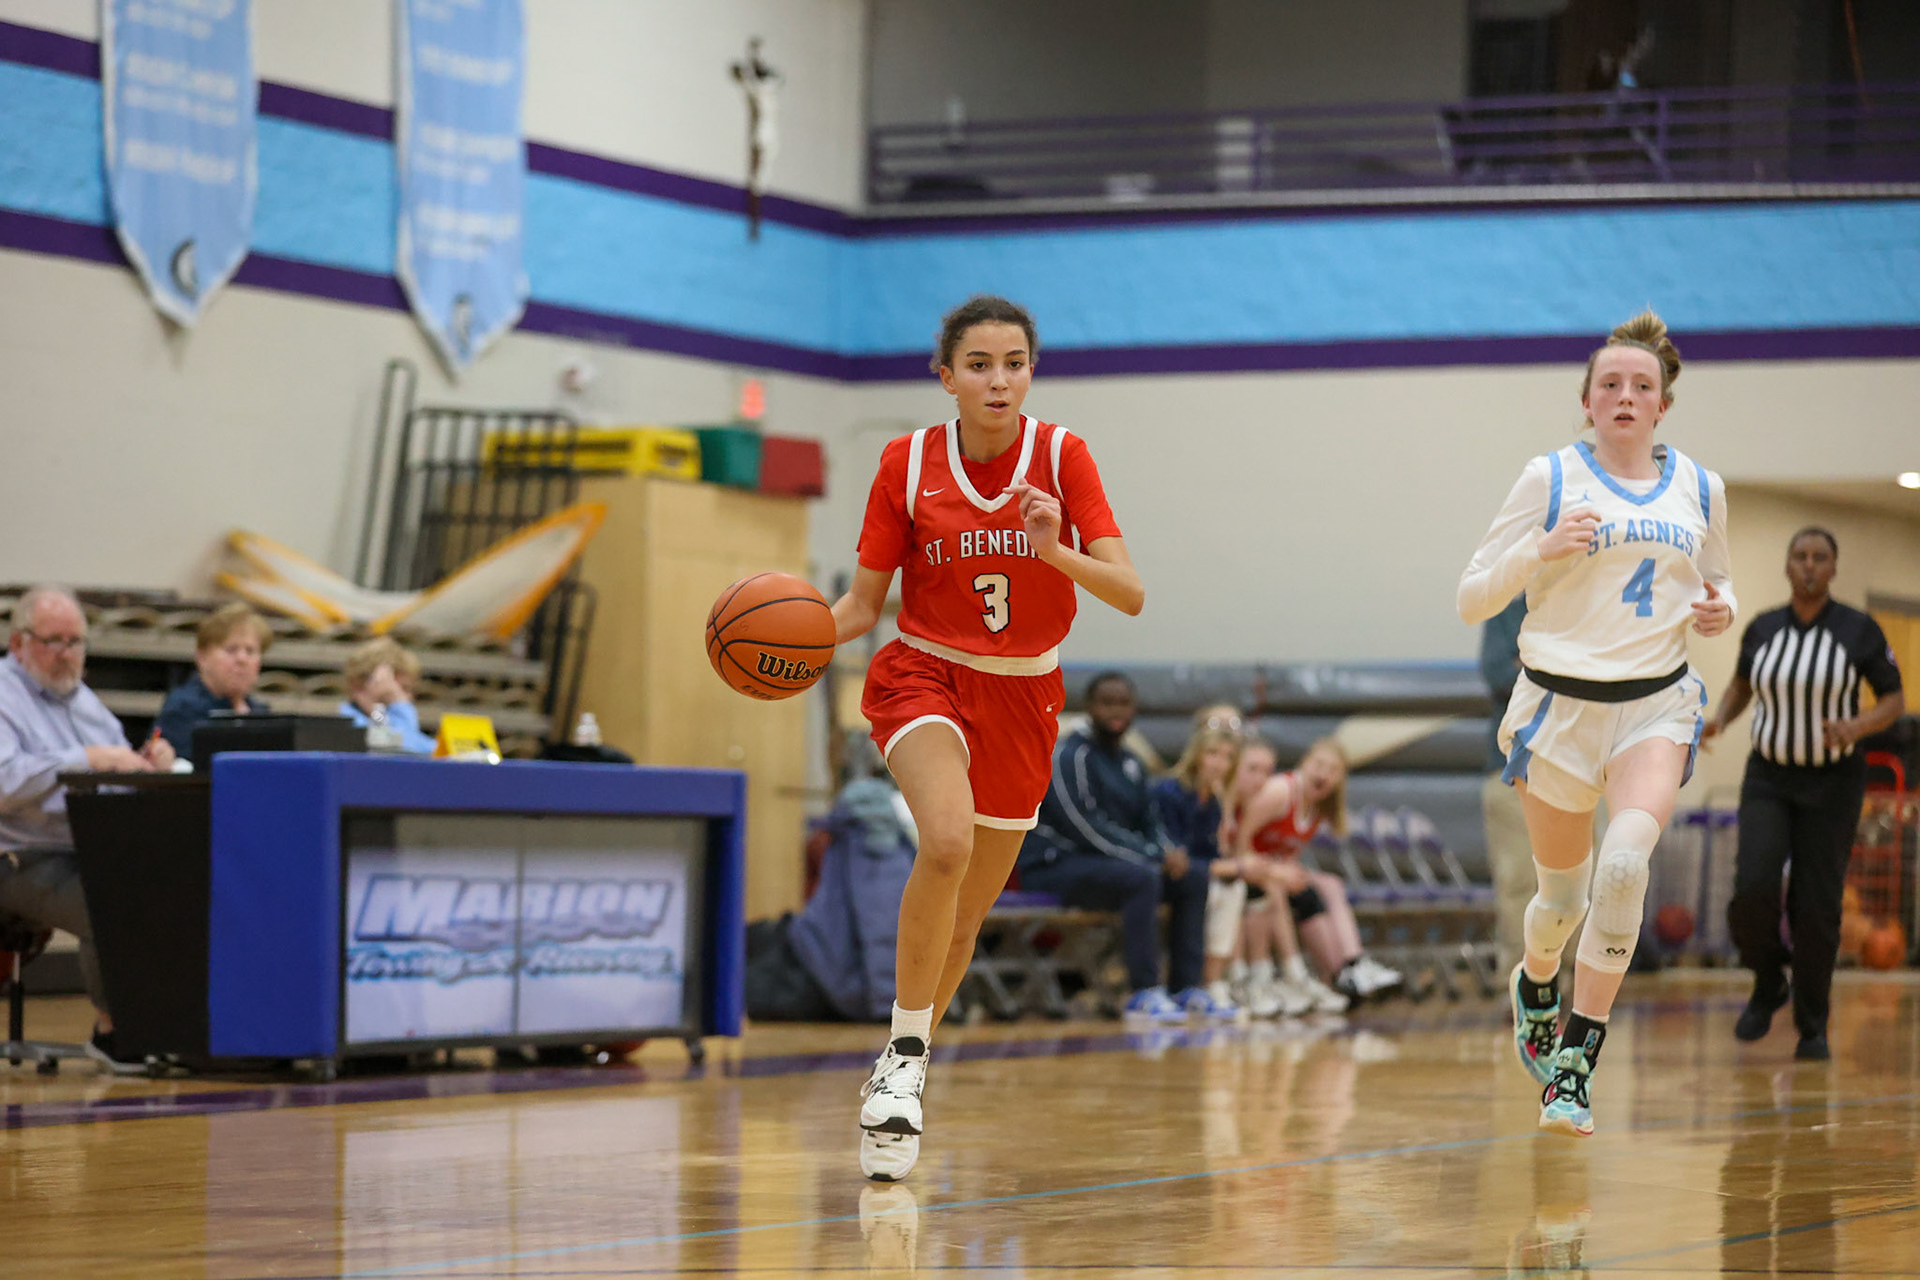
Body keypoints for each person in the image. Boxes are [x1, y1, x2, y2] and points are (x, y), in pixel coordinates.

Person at [829, 294, 1143, 1182]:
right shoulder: (907, 461)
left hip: (1025, 697)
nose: (998, 379)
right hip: (923, 673)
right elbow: (861, 604)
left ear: (1030, 372)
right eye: (978, 364)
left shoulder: (1063, 456)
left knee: (967, 914)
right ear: (947, 378)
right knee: (946, 842)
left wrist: (1055, 550)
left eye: (1014, 363)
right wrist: (795, 644)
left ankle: (909, 1058)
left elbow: (1129, 592)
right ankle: (900, 1060)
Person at [1459, 311, 1734, 1137]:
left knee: (1624, 870)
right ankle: (1536, 982)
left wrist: (1717, 612)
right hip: (1558, 707)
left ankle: (1575, 1060)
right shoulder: (1548, 478)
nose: (1624, 395)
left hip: (1656, 704)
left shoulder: (1701, 487)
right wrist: (1538, 551)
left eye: (1640, 385)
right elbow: (1472, 595)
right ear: (1587, 400)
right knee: (1560, 900)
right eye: (1609, 383)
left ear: (1662, 404)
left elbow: (1714, 583)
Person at [1703, 527, 1904, 1060]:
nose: (1809, 565)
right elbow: (1743, 683)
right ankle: (1769, 982)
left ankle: (1812, 1024)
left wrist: (1857, 728)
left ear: (1833, 568)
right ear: (1788, 566)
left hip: (1834, 782)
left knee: (1816, 907)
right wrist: (1718, 720)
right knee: (1752, 888)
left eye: (1820, 558)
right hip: (1769, 776)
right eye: (1800, 556)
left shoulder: (1858, 631)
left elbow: (1893, 700)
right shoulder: (1763, 628)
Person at [0, 585, 174, 1072]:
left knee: (169, 885)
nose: (66, 654)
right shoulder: (3, 696)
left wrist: (146, 761)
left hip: (89, 846)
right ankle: (114, 1031)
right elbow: (4, 781)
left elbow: (117, 768)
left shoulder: (84, 703)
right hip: (18, 855)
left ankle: (172, 1023)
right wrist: (85, 759)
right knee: (109, 902)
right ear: (18, 643)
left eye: (75, 642)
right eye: (52, 641)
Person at [1020, 672, 1210, 1021]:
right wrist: (1153, 856)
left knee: (1193, 877)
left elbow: (1150, 821)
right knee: (1142, 878)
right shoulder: (1069, 757)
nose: (1115, 710)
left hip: (1110, 865)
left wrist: (1168, 850)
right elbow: (1084, 828)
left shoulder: (1131, 763)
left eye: (1123, 703)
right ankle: (1143, 991)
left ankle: (1186, 987)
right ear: (1090, 707)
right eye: (1106, 702)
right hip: (1056, 865)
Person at [1234, 738, 1401, 1006]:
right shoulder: (1280, 792)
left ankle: (1351, 966)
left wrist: (1285, 870)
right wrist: (1275, 872)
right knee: (1280, 888)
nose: (1323, 774)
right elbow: (1238, 841)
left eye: (1333, 770)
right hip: (1248, 871)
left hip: (1271, 869)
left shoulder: (1318, 806)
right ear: (1304, 764)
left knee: (1329, 884)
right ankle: (1301, 975)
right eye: (1319, 765)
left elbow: (1286, 852)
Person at [1152, 720, 1245, 1017]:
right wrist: (1228, 866)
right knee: (1206, 883)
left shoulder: (1213, 802)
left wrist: (1228, 864)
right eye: (1213, 753)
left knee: (1231, 886)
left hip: (1193, 876)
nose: (1220, 763)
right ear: (1196, 755)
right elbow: (1173, 852)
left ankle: (1209, 982)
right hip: (1161, 875)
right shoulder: (1169, 791)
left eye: (1228, 757)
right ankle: (1203, 982)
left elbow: (1208, 854)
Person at [154, 603, 272, 761]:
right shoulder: (182, 710)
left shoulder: (262, 715)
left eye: (250, 651)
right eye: (231, 649)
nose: (242, 659)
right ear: (202, 658)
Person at [337, 637, 437, 755]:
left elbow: (429, 748)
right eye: (393, 691)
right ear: (358, 685)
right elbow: (403, 748)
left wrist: (375, 710)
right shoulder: (348, 725)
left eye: (407, 689)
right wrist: (396, 705)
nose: (405, 698)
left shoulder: (387, 721)